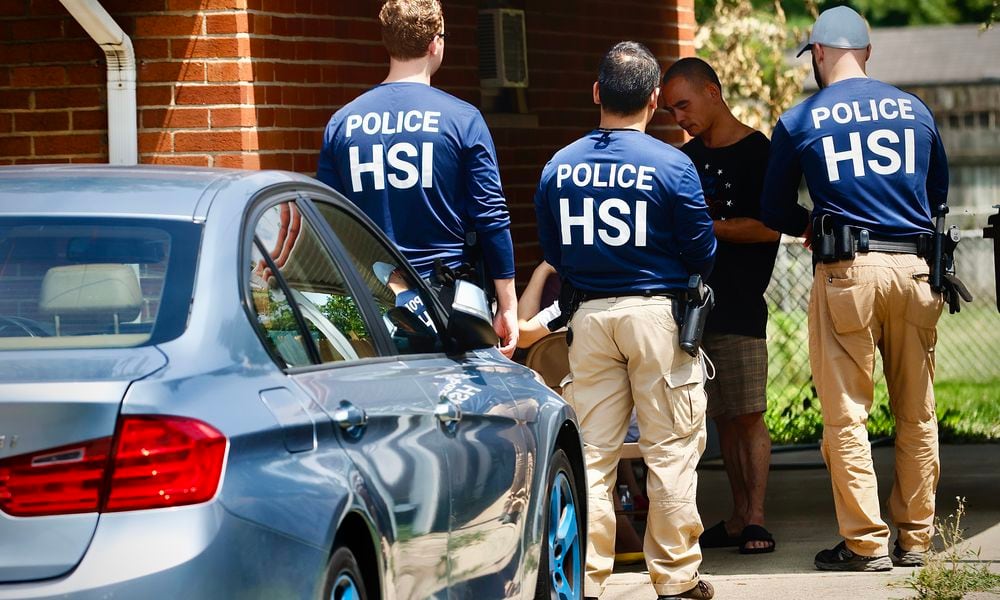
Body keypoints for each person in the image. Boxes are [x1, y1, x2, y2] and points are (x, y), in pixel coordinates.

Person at [760, 6, 949, 571]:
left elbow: (772, 208)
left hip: (847, 274)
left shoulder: (800, 120)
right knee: (918, 414)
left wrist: (812, 229)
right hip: (917, 271)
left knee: (847, 415)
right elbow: (936, 198)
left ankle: (866, 544)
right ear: (866, 51)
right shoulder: (915, 110)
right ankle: (916, 539)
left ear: (818, 53)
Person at [535, 41, 717, 600]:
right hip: (657, 318)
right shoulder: (674, 164)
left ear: (597, 93)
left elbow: (554, 251)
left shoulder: (558, 167)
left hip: (587, 319)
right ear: (656, 98)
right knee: (670, 452)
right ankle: (677, 580)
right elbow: (703, 251)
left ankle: (583, 582)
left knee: (591, 456)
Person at [316, 0, 518, 356]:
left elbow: (326, 221)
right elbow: (491, 216)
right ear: (434, 44)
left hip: (371, 307)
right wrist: (508, 305)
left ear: (388, 44)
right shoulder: (462, 119)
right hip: (449, 306)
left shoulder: (342, 123)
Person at [662, 57, 796, 555]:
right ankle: (738, 517)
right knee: (720, 419)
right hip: (693, 307)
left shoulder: (758, 152)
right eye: (671, 108)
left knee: (748, 416)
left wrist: (707, 229)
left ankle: (757, 518)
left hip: (740, 303)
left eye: (684, 104)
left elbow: (769, 225)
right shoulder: (684, 158)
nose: (678, 117)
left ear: (713, 92)